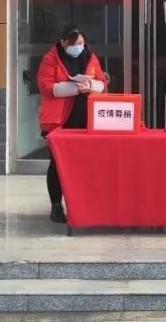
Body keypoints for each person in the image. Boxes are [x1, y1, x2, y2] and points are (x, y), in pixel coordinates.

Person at [37, 26, 107, 224]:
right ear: (63, 42)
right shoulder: (50, 59)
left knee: (86, 163)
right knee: (57, 164)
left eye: (81, 43)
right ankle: (56, 205)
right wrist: (76, 88)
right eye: (74, 43)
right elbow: (46, 87)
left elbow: (102, 83)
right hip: (60, 122)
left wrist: (90, 86)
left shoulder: (90, 56)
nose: (79, 47)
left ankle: (85, 204)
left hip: (86, 120)